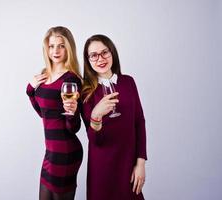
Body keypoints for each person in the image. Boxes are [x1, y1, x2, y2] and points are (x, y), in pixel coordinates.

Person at [81, 34, 147, 200]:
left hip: (128, 163)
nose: (100, 59)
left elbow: (139, 122)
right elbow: (95, 140)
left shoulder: (128, 82)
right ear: (88, 60)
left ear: (113, 53)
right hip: (102, 166)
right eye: (94, 55)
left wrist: (140, 163)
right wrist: (96, 115)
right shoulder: (86, 91)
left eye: (105, 52)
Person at [26, 26, 83, 200]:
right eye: (51, 46)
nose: (55, 51)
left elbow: (74, 128)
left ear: (69, 48)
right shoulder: (44, 75)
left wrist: (72, 113)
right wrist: (30, 89)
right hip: (50, 151)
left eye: (61, 46)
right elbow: (44, 114)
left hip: (65, 151)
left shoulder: (71, 79)